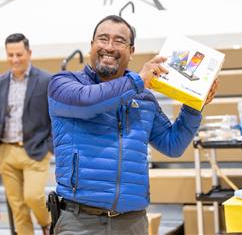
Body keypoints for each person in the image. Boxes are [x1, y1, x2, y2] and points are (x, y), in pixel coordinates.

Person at [47, 15, 218, 234]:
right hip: (79, 222)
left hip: (133, 223)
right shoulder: (64, 84)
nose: (109, 47)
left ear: (132, 51)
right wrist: (137, 81)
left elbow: (172, 145)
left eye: (119, 41)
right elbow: (88, 102)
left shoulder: (144, 99)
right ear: (91, 46)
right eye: (103, 39)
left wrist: (194, 105)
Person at [0, 33, 53, 234]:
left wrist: (50, 147)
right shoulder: (1, 82)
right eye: (10, 55)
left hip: (37, 150)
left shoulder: (46, 80)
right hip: (7, 151)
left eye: (19, 54)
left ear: (29, 53)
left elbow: (55, 117)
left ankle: (47, 223)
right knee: (18, 209)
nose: (14, 60)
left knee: (33, 197)